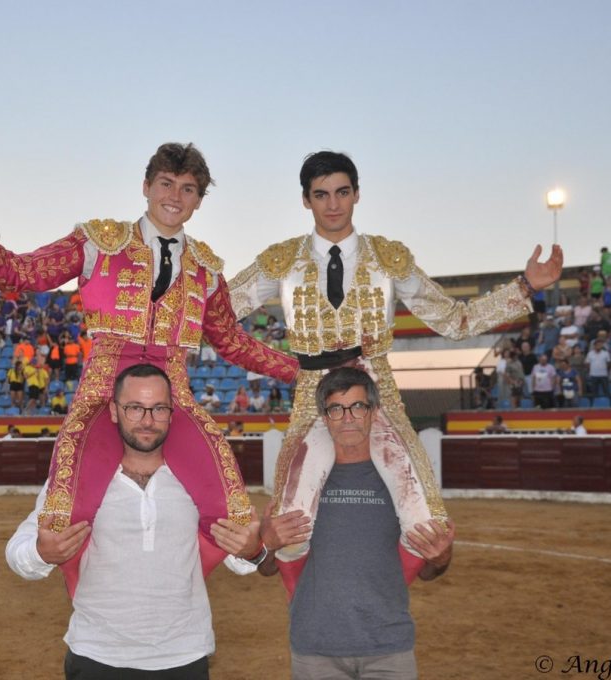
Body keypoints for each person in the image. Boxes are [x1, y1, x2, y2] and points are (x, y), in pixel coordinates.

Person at [0, 142, 298, 540]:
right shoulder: (97, 242)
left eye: (188, 189)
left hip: (174, 401)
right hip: (102, 397)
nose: (174, 197)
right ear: (146, 186)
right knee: (65, 514)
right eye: (166, 183)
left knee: (232, 509)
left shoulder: (207, 270)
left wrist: (301, 368)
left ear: (198, 201)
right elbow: (24, 274)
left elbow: (233, 342)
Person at [229, 151, 562, 563]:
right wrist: (273, 362)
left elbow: (454, 320)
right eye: (321, 195)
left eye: (342, 192)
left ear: (357, 195)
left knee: (426, 524)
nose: (333, 204)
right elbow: (216, 310)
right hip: (314, 395)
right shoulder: (280, 261)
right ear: (306, 200)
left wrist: (525, 286)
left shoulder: (389, 258)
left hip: (375, 391)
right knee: (288, 529)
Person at [5, 364, 267, 677]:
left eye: (158, 408)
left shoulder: (203, 479)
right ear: (114, 411)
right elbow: (17, 551)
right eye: (134, 408)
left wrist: (252, 550)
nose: (147, 420)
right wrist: (41, 553)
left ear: (172, 413)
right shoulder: (77, 478)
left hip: (183, 654)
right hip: (96, 654)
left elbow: (240, 560)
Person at [257, 368, 453, 680]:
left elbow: (429, 571)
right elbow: (267, 568)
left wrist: (441, 559)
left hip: (389, 648)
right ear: (324, 417)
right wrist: (266, 544)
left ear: (374, 413)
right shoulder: (297, 486)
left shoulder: (402, 483)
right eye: (336, 408)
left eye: (358, 407)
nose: (347, 418)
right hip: (315, 649)